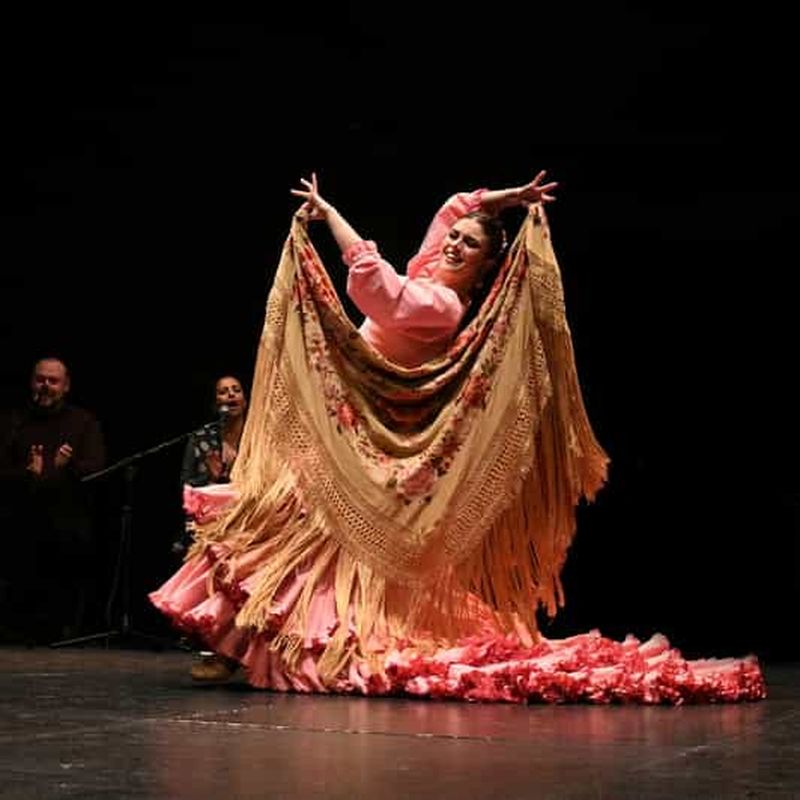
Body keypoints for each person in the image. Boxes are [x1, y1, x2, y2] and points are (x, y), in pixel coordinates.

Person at [150, 174, 765, 703]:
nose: (453, 242)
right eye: (456, 238)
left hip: (362, 429)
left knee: (295, 526)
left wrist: (331, 216)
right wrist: (507, 199)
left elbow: (374, 289)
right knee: (280, 522)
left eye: (467, 245)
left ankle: (241, 646)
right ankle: (230, 643)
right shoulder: (433, 269)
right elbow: (451, 208)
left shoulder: (439, 304)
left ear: (480, 265)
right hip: (347, 422)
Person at [0, 357, 106, 642]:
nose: (45, 386)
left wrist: (64, 467)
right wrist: (27, 474)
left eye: (53, 381)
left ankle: (62, 629)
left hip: (67, 522)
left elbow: (97, 468)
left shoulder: (83, 422)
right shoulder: (13, 422)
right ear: (31, 382)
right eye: (40, 379)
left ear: (66, 386)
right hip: (20, 521)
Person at [174, 375, 248, 679]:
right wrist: (217, 478)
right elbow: (188, 486)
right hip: (215, 522)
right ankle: (216, 648)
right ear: (215, 402)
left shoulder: (259, 433)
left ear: (245, 399)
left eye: (236, 390)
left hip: (252, 519)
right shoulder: (203, 438)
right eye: (222, 392)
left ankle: (234, 653)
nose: (230, 395)